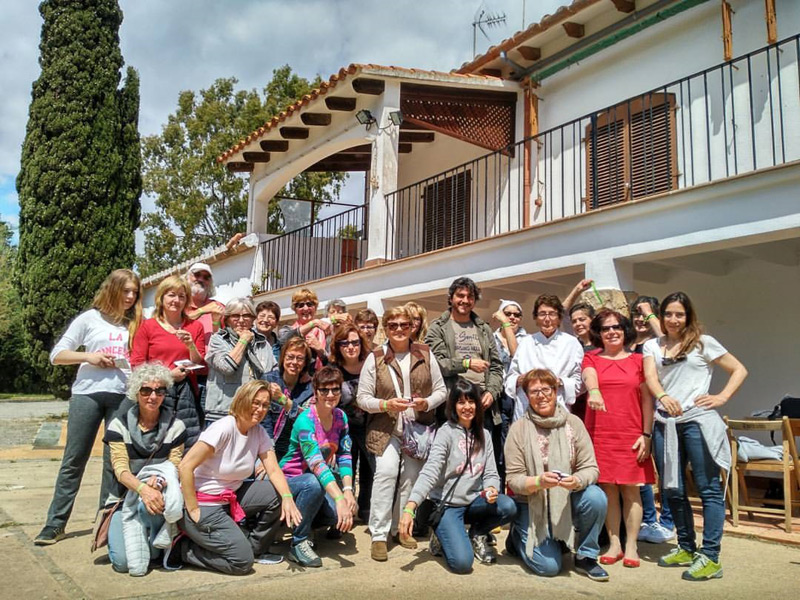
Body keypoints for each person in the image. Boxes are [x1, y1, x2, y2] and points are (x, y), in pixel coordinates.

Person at [643, 292, 747, 581]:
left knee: (708, 489)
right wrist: (663, 396)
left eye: (679, 314)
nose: (673, 319)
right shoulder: (652, 345)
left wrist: (722, 396)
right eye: (668, 314)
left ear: (688, 316)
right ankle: (687, 547)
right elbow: (651, 378)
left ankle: (711, 556)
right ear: (661, 317)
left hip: (697, 422)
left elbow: (739, 369)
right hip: (666, 423)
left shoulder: (703, 343)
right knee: (672, 490)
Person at [35, 269, 142, 546]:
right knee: (74, 459)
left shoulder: (137, 323)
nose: (130, 297)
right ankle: (54, 525)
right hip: (88, 395)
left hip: (123, 396)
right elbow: (57, 355)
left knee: (114, 462)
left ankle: (104, 525)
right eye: (126, 290)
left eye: (135, 292)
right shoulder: (89, 318)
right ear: (113, 289)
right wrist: (90, 357)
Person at [174, 380, 302, 574]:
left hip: (230, 495)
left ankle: (254, 548)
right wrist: (192, 509)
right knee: (241, 563)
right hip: (204, 503)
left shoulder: (258, 432)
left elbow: (274, 470)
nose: (260, 409)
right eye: (255, 402)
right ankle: (183, 550)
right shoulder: (224, 428)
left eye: (265, 405)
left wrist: (287, 498)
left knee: (278, 493)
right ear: (242, 400)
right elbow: (185, 466)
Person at [357, 306, 447, 561]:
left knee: (410, 477)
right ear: (386, 328)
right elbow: (362, 398)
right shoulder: (375, 357)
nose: (399, 329)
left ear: (412, 327)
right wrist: (386, 405)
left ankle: (401, 529)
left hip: (417, 430)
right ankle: (378, 534)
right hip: (386, 428)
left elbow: (441, 390)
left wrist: (426, 403)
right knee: (385, 473)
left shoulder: (425, 353)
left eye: (404, 325)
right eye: (393, 325)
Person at [399, 379, 516, 574]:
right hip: (448, 505)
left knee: (508, 506)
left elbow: (491, 473)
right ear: (453, 406)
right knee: (462, 564)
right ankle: (441, 532)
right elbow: (430, 471)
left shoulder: (485, 435)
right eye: (461, 402)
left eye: (471, 401)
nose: (467, 407)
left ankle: (477, 533)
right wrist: (410, 507)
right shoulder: (445, 433)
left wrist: (492, 488)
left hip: (474, 500)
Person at [505, 368, 609, 582]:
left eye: (546, 389)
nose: (541, 395)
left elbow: (591, 468)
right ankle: (517, 536)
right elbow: (513, 479)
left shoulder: (574, 423)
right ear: (526, 396)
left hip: (566, 498)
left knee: (595, 497)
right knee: (549, 567)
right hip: (532, 503)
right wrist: (537, 481)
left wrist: (577, 480)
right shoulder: (519, 429)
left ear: (555, 391)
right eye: (534, 391)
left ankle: (586, 556)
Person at [582, 309, 654, 568]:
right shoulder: (591, 358)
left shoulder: (639, 360)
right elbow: (588, 376)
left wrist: (646, 434)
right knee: (608, 490)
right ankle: (614, 543)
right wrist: (595, 391)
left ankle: (632, 544)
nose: (612, 332)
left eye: (616, 327)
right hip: (600, 432)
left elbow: (648, 399)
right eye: (605, 329)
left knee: (631, 490)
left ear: (625, 330)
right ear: (598, 334)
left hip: (631, 433)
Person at [105, 364, 186, 576]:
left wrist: (158, 483)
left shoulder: (176, 426)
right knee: (122, 564)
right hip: (123, 499)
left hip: (160, 492)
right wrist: (143, 488)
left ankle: (154, 544)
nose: (153, 396)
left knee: (149, 508)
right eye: (145, 390)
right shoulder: (118, 426)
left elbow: (174, 464)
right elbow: (120, 469)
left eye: (159, 391)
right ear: (135, 393)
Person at [279, 367, 357, 567]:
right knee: (315, 484)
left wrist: (348, 492)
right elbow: (316, 464)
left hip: (316, 482)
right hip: (291, 480)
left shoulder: (340, 417)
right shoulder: (306, 420)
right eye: (324, 390)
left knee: (336, 513)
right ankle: (299, 541)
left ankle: (310, 523)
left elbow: (345, 454)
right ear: (315, 393)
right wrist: (338, 498)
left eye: (335, 390)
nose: (330, 395)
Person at [130, 275, 206, 448]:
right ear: (161, 297)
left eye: (182, 296)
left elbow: (199, 362)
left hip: (186, 394)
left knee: (186, 442)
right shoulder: (147, 326)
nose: (176, 300)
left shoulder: (195, 327)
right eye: (172, 295)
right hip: (154, 393)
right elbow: (137, 363)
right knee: (157, 441)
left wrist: (190, 345)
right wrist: (167, 376)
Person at [425, 278, 503, 430]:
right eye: (460, 295)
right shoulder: (438, 328)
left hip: (482, 404)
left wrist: (491, 392)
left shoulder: (483, 328)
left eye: (470, 296)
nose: (465, 300)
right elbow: (438, 364)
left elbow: (496, 367)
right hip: (451, 404)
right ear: (451, 298)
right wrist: (467, 364)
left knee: (483, 452)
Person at [629, 294, 675, 545]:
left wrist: (650, 314)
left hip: (662, 412)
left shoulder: (662, 343)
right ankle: (648, 518)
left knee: (667, 469)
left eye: (644, 314)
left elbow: (663, 337)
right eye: (636, 313)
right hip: (637, 414)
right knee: (640, 467)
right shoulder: (630, 344)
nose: (640, 319)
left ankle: (667, 521)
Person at [504, 294, 583, 421]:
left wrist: (560, 382)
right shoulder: (526, 342)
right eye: (542, 314)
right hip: (526, 408)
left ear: (559, 317)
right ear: (535, 318)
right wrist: (520, 379)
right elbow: (510, 378)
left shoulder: (571, 343)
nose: (547, 319)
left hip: (558, 407)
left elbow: (579, 382)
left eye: (552, 314)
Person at [204, 299, 275, 426]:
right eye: (236, 316)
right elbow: (227, 367)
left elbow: (271, 375)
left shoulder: (262, 343)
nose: (241, 320)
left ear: (253, 319)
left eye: (246, 316)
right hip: (223, 413)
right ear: (227, 319)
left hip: (254, 414)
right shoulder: (218, 340)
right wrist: (243, 341)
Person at [329, 324, 374, 522]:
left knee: (368, 470)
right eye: (344, 343)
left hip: (369, 426)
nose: (350, 347)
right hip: (343, 428)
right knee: (343, 470)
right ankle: (342, 515)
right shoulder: (333, 369)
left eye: (355, 342)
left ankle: (365, 509)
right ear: (337, 346)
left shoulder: (371, 364)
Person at [491, 299, 527, 482]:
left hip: (518, 396)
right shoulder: (491, 337)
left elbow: (517, 355)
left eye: (516, 314)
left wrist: (505, 325)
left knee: (517, 442)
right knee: (498, 444)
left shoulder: (527, 340)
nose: (512, 317)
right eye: (508, 313)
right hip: (497, 396)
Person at [260, 336, 314, 460]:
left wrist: (282, 400)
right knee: (264, 477)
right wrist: (269, 454)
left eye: (300, 358)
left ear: (305, 362)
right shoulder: (268, 380)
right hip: (268, 446)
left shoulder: (309, 388)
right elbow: (263, 422)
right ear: (283, 357)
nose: (294, 362)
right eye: (290, 357)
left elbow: (307, 420)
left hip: (297, 449)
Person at [278, 288, 329, 368]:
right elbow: (282, 342)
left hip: (321, 378)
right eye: (300, 305)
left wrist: (320, 350)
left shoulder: (325, 332)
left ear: (315, 307)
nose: (305, 308)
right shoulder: (287, 330)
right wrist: (313, 323)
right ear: (295, 309)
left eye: (309, 304)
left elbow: (333, 362)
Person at [185, 263, 225, 347]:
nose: (201, 279)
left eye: (206, 277)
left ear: (210, 283)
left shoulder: (218, 307)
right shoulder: (177, 305)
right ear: (187, 278)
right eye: (197, 275)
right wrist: (202, 310)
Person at [567, 302, 596, 421]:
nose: (578, 324)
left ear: (592, 320)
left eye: (582, 319)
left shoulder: (603, 345)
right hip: (577, 404)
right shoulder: (571, 346)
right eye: (574, 321)